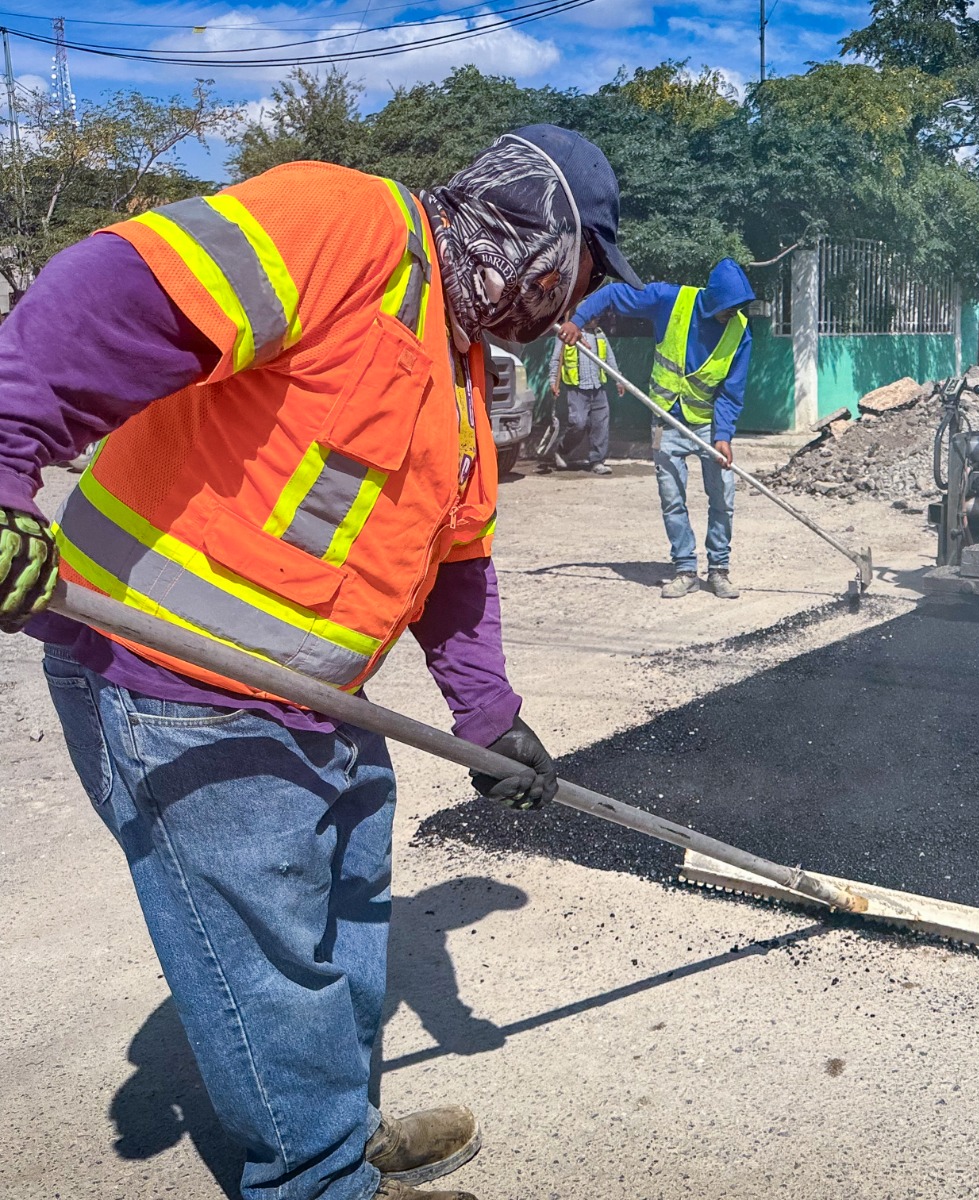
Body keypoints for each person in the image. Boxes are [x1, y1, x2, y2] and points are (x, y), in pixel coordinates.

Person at [0, 124, 641, 1200]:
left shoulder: (460, 365)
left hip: (320, 698)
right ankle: (316, 1179)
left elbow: (457, 564)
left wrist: (489, 719)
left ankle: (343, 1131)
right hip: (178, 686)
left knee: (349, 921)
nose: (574, 302)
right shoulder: (346, 226)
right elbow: (102, 293)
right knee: (269, 965)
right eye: (583, 273)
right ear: (546, 236)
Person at [558, 259, 754, 600]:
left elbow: (731, 391)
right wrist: (577, 320)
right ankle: (685, 570)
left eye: (738, 307)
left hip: (708, 426)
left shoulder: (741, 331)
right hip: (666, 421)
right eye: (728, 307)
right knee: (672, 499)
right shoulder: (670, 300)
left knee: (723, 499)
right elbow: (615, 294)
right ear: (713, 299)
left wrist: (723, 436)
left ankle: (719, 570)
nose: (732, 313)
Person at [547, 317, 617, 474]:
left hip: (598, 387)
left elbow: (610, 359)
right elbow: (556, 360)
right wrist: (553, 381)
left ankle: (597, 461)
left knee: (600, 425)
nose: (596, 319)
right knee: (578, 423)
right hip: (577, 389)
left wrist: (618, 380)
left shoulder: (600, 334)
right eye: (592, 316)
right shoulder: (567, 334)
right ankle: (562, 450)